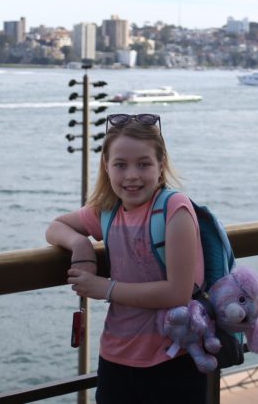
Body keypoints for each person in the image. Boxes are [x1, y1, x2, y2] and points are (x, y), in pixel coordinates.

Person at [45, 112, 207, 403]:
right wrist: (80, 244)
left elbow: (178, 292)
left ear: (160, 167)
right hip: (116, 359)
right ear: (106, 168)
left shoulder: (175, 209)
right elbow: (56, 227)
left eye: (143, 164)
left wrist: (105, 287)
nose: (131, 175)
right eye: (120, 165)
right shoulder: (107, 210)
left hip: (173, 358)